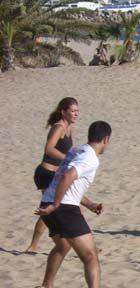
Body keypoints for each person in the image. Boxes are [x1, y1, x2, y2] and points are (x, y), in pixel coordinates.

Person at [35, 121, 112, 288]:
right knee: (91, 256)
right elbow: (68, 176)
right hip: (63, 207)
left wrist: (89, 204)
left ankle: (46, 285)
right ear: (106, 139)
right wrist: (56, 204)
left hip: (48, 201)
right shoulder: (90, 158)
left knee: (63, 245)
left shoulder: (76, 150)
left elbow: (69, 182)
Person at [26, 97, 79, 253]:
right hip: (46, 174)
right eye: (73, 111)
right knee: (54, 209)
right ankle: (34, 245)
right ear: (63, 112)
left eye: (77, 111)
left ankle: (34, 245)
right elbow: (48, 149)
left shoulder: (69, 128)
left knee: (51, 209)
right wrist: (66, 158)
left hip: (55, 174)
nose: (76, 114)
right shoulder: (59, 127)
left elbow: (67, 150)